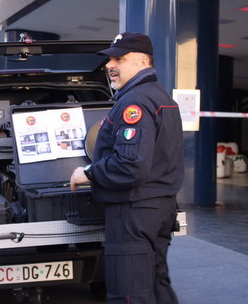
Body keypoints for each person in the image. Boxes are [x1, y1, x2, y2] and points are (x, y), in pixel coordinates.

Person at [70, 32, 184, 304]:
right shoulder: (160, 97)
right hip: (159, 207)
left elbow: (130, 165)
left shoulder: (135, 103)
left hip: (134, 212)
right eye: (109, 59)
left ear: (143, 62)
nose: (110, 65)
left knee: (130, 293)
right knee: (157, 286)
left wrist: (87, 173)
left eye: (119, 59)